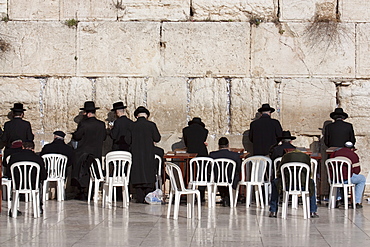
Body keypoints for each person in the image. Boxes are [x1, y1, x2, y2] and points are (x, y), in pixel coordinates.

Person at [125, 106, 161, 203]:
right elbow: (157, 138)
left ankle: (140, 197)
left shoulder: (132, 126)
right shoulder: (151, 125)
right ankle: (148, 196)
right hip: (148, 153)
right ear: (147, 116)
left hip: (136, 154)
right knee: (148, 173)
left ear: (136, 116)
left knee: (138, 173)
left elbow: (127, 140)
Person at [269, 150, 319, 218]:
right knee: (311, 182)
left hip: (286, 185)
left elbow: (280, 171)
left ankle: (273, 211)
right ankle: (312, 211)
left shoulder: (285, 157)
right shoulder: (306, 158)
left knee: (275, 182)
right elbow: (309, 172)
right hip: (303, 186)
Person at [72, 101, 106, 194]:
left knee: (83, 173)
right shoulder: (101, 124)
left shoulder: (84, 124)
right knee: (95, 172)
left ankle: (82, 192)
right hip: (96, 153)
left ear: (88, 113)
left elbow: (77, 136)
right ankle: (93, 192)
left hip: (84, 154)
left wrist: (74, 133)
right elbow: (104, 137)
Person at [7, 140, 47, 216]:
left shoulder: (14, 157)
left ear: (22, 147)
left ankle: (13, 209)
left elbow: (8, 174)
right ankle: (39, 207)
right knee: (40, 184)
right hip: (33, 185)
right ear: (33, 149)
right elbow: (43, 176)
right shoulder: (38, 158)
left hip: (18, 185)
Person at [330, 141, 365, 208]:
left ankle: (338, 199)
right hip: (346, 179)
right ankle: (356, 202)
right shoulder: (353, 155)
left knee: (338, 179)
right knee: (362, 179)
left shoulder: (334, 153)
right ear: (352, 149)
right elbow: (357, 170)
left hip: (334, 179)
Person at [209, 137, 241, 207]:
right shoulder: (235, 155)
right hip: (231, 179)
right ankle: (229, 197)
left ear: (218, 145)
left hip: (217, 178)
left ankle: (224, 197)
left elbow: (209, 168)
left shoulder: (212, 155)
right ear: (228, 145)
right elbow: (238, 168)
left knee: (219, 176)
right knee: (236, 175)